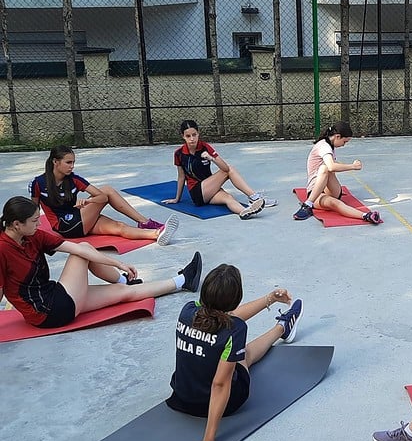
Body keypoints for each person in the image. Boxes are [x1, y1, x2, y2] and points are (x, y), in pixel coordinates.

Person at [166, 263, 304, 441]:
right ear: (235, 300)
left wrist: (269, 299)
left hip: (181, 397)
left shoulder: (187, 311)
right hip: (223, 403)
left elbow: (222, 317)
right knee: (243, 356)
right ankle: (282, 327)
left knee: (227, 351)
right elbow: (220, 384)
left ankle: (282, 326)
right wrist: (208, 440)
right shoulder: (235, 329)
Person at [0, 196, 202, 328]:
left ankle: (183, 281)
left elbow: (72, 247)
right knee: (84, 250)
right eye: (34, 221)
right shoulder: (3, 249)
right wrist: (118, 264)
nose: (38, 224)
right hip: (48, 311)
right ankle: (123, 279)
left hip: (56, 297)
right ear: (17, 224)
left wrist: (117, 264)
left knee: (123, 293)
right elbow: (80, 250)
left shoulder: (32, 236)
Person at [30, 145, 179, 246]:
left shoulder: (74, 179)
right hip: (65, 226)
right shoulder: (39, 183)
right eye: (68, 162)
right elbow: (32, 209)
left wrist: (88, 203)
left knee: (119, 227)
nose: (72, 166)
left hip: (81, 219)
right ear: (55, 162)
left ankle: (156, 234)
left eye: (73, 162)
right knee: (107, 189)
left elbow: (101, 198)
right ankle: (145, 222)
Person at [163, 119, 276, 220]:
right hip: (197, 192)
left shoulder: (204, 146)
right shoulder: (179, 153)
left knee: (228, 198)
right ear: (183, 136)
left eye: (194, 135)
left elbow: (223, 166)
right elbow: (181, 177)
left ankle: (243, 211)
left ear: (198, 134)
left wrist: (211, 158)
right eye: (188, 136)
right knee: (230, 169)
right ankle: (254, 197)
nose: (192, 139)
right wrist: (177, 199)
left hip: (210, 188)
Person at [292, 121, 381, 224]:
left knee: (326, 168)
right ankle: (366, 215)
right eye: (344, 142)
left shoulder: (329, 145)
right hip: (316, 193)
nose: (344, 145)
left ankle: (309, 204)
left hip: (330, 189)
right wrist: (353, 166)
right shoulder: (324, 146)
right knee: (326, 171)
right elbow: (331, 166)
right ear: (337, 136)